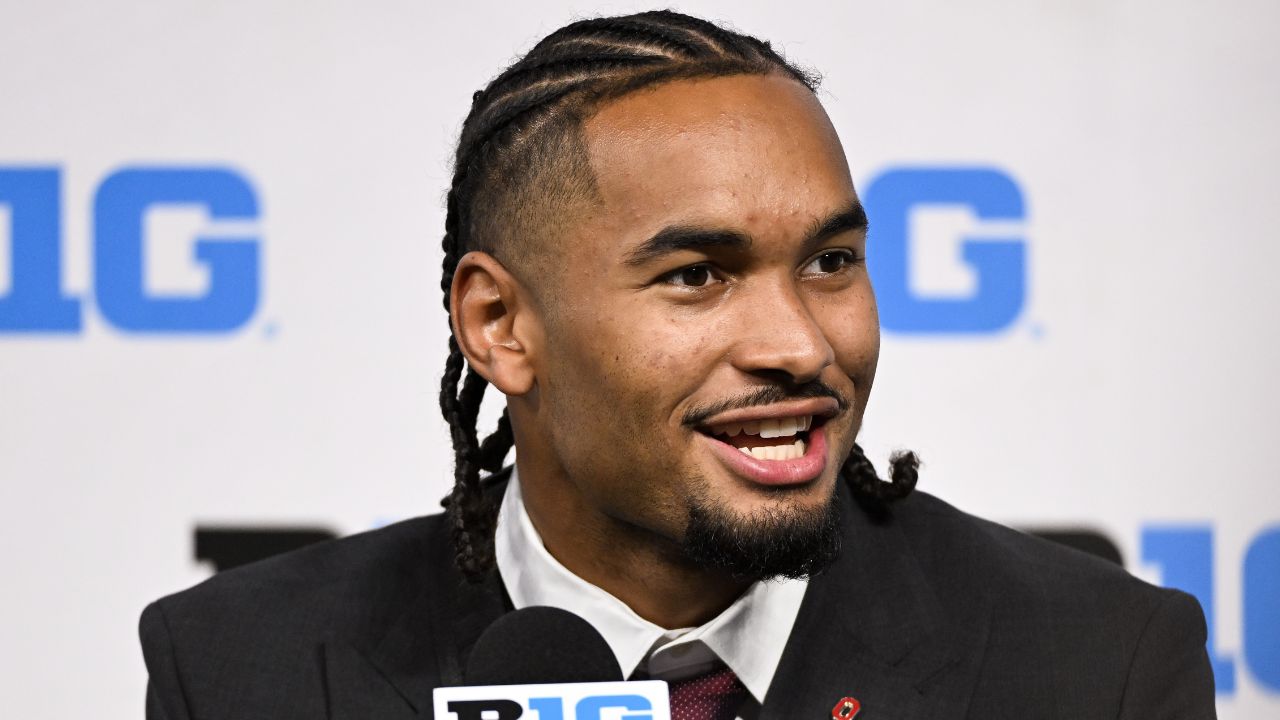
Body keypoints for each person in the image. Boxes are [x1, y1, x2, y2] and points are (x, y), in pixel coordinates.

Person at [139, 10, 1216, 719]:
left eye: (830, 261)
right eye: (698, 276)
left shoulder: (1095, 668)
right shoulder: (246, 668)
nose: (798, 344)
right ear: (499, 325)